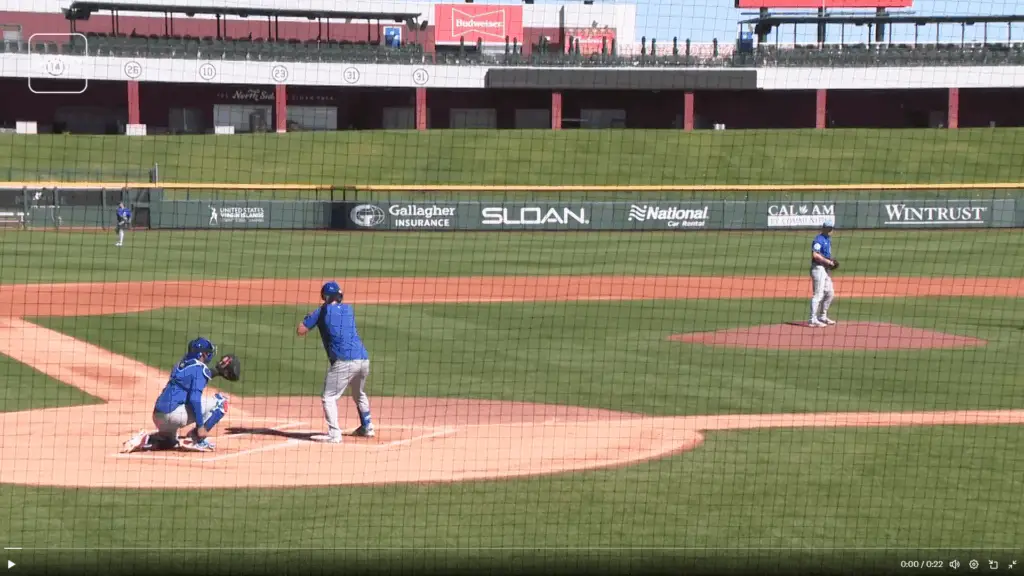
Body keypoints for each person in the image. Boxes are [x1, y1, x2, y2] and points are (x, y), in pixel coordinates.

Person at [120, 337, 229, 453]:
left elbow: (195, 376)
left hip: (158, 415)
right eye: (207, 353)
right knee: (221, 402)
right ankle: (196, 440)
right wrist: (200, 426)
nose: (209, 355)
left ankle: (145, 439)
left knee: (170, 442)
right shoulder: (200, 369)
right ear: (201, 354)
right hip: (173, 415)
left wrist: (217, 371)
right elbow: (194, 399)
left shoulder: (181, 364)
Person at [297, 281, 373, 443]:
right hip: (363, 359)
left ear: (324, 296)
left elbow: (301, 330)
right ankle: (367, 427)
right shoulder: (348, 309)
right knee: (358, 393)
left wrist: (310, 317)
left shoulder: (321, 311)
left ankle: (334, 434)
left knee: (328, 397)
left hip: (344, 362)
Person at [809, 219, 838, 327]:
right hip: (818, 269)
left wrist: (830, 262)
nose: (831, 230)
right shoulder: (819, 239)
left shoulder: (828, 239)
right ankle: (812, 319)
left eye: (831, 228)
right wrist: (828, 261)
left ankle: (822, 316)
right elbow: (815, 255)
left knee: (830, 293)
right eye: (829, 228)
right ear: (824, 228)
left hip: (825, 270)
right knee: (818, 294)